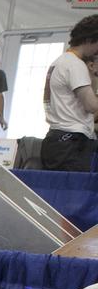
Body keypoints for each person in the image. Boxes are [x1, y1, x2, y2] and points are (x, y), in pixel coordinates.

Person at [42, 15, 98, 172]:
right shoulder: (75, 65)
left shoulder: (60, 61)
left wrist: (94, 75)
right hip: (70, 143)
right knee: (73, 187)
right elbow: (91, 105)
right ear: (90, 40)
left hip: (58, 139)